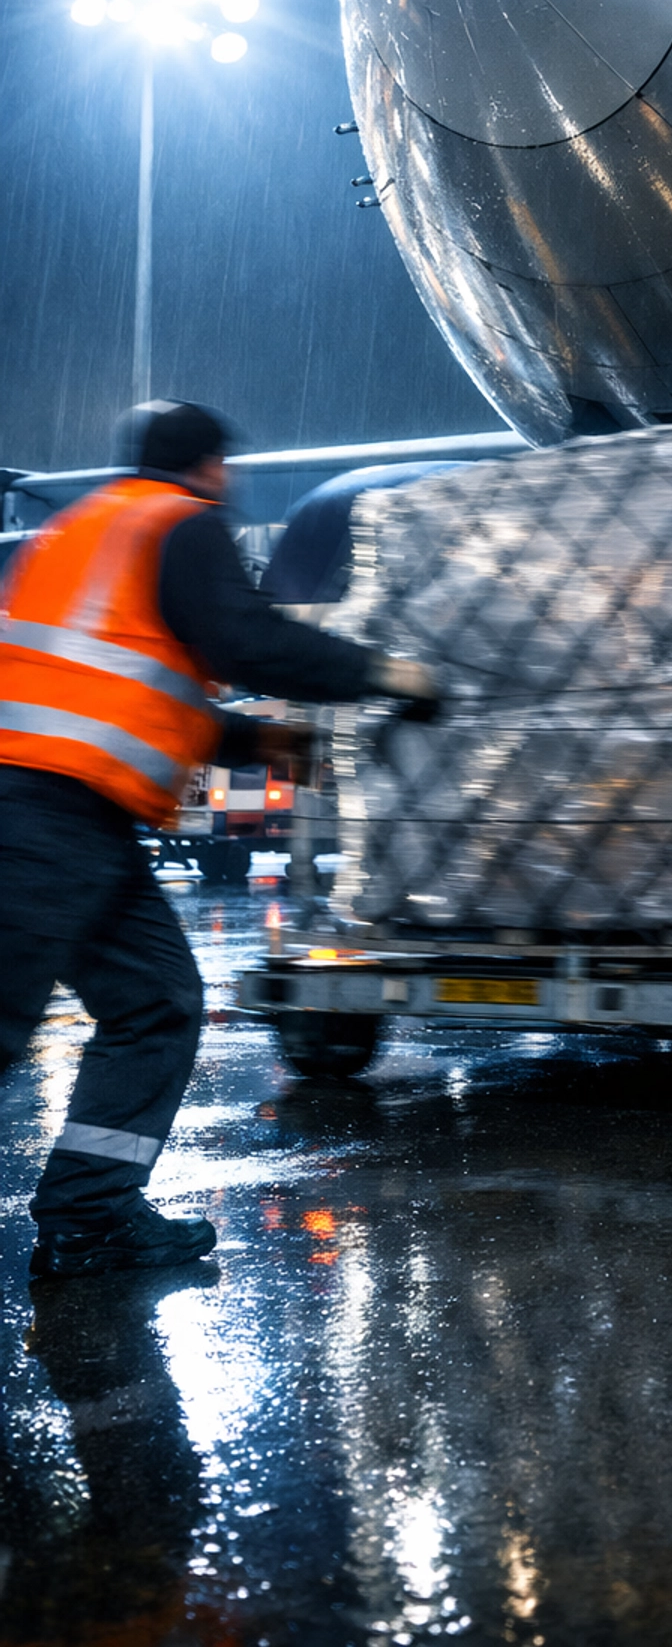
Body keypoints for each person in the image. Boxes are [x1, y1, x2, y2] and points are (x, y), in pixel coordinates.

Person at [0, 400, 442, 1281]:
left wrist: (263, 741)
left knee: (157, 1002)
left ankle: (91, 1218)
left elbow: (126, 689)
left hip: (71, 812)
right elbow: (248, 643)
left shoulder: (78, 531)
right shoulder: (181, 521)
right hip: (44, 809)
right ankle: (90, 1218)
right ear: (209, 467)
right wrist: (383, 673)